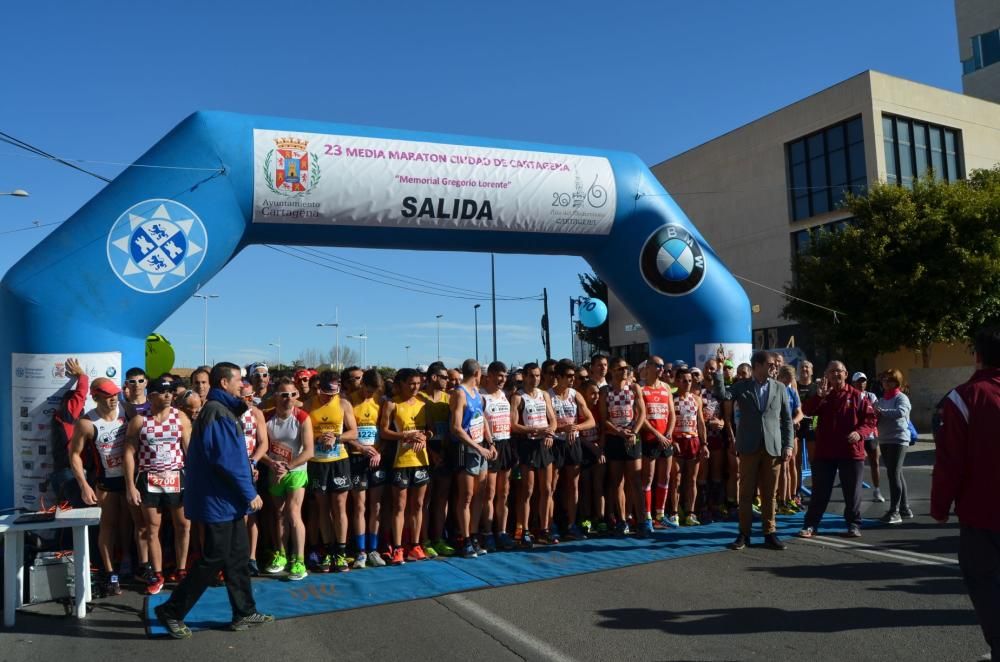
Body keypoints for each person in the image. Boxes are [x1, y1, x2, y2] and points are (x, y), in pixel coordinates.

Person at [153, 362, 271, 639]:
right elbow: (228, 462)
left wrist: (243, 406)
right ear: (224, 384)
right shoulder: (217, 413)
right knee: (214, 558)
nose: (243, 385)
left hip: (227, 500)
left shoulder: (223, 410)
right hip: (219, 499)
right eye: (238, 381)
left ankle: (244, 611)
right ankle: (171, 611)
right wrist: (249, 493)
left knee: (238, 556)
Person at [932, 326, 1000, 659]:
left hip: (982, 514)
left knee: (985, 583)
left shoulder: (964, 398)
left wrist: (940, 506)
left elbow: (949, 461)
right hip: (983, 511)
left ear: (978, 356)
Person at [716, 350, 793, 551]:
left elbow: (786, 419)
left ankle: (770, 533)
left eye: (774, 365)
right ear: (757, 366)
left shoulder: (779, 388)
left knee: (770, 493)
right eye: (769, 364)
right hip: (749, 446)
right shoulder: (742, 386)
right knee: (746, 493)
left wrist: (789, 445)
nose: (774, 367)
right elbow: (723, 394)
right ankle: (744, 533)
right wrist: (719, 370)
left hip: (773, 447)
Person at [123, 376, 192, 595]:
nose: (169, 395)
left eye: (171, 391)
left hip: (176, 476)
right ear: (151, 395)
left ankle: (181, 570)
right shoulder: (139, 421)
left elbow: (190, 451)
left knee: (183, 525)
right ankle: (158, 573)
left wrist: (196, 480)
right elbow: (128, 454)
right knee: (152, 529)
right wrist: (130, 486)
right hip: (149, 478)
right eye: (163, 392)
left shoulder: (180, 417)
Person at [799, 361, 877, 539]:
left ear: (846, 374)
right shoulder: (821, 394)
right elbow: (806, 411)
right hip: (825, 452)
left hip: (850, 452)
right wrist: (820, 397)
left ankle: (853, 525)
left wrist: (860, 433)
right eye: (831, 372)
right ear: (826, 375)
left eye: (838, 371)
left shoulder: (857, 396)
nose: (835, 375)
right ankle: (810, 525)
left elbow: (871, 420)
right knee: (819, 491)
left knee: (852, 493)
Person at [68, 377, 130, 596]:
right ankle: (110, 572)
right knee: (108, 526)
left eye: (115, 395)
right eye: (107, 396)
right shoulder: (86, 423)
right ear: (95, 397)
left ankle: (129, 565)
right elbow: (74, 455)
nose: (113, 400)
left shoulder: (125, 411)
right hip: (106, 481)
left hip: (130, 479)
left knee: (130, 525)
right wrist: (84, 485)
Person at [306, 370, 358, 573]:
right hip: (318, 462)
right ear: (319, 388)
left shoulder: (343, 404)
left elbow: (353, 432)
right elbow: (303, 433)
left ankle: (341, 552)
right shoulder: (310, 404)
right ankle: (328, 550)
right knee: (323, 508)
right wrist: (317, 439)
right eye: (327, 394)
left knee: (339, 507)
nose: (330, 398)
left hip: (339, 460)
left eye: (334, 393)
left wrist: (336, 437)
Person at [263, 378, 314, 580]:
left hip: (296, 470)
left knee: (293, 513)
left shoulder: (302, 417)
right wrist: (272, 464)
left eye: (293, 394)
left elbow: (309, 450)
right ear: (276, 396)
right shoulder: (267, 417)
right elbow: (262, 448)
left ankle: (299, 560)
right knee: (279, 514)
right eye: (284, 395)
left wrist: (288, 466)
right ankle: (281, 554)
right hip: (275, 470)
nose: (289, 399)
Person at [380, 368, 432, 565]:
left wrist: (425, 437)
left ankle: (415, 545)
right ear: (400, 383)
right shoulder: (392, 404)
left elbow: (431, 430)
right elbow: (383, 431)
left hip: (420, 460)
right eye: (411, 383)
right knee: (399, 506)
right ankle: (398, 547)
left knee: (418, 505)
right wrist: (406, 435)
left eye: (418, 383)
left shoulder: (423, 403)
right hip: (400, 461)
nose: (415, 387)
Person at [450, 359, 497, 557]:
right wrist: (477, 447)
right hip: (466, 449)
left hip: (480, 448)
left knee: (480, 494)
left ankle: (474, 534)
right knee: (467, 496)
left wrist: (490, 442)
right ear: (477, 373)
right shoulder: (459, 393)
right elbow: (456, 427)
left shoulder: (477, 394)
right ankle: (465, 538)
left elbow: (482, 418)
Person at [511, 362, 557, 547]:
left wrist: (550, 432)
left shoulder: (544, 394)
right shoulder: (517, 397)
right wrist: (532, 430)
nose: (535, 379)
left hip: (543, 445)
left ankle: (544, 529)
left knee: (547, 489)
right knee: (528, 490)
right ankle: (524, 530)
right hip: (527, 445)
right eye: (531, 375)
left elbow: (552, 420)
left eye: (538, 376)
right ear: (524, 376)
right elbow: (513, 424)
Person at [549, 359, 595, 541]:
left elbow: (591, 420)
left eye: (573, 376)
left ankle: (570, 524)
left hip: (573, 443)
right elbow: (544, 423)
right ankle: (550, 524)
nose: (572, 379)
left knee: (573, 486)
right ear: (558, 377)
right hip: (555, 443)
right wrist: (562, 429)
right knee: (551, 487)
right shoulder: (548, 395)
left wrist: (576, 427)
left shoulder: (575, 394)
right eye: (568, 376)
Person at [601, 358, 647, 536]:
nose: (624, 371)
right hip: (615, 438)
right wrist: (620, 432)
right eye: (620, 369)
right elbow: (604, 419)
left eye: (626, 368)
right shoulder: (605, 390)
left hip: (632, 438)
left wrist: (633, 432)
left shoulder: (634, 388)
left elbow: (642, 413)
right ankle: (621, 520)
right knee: (617, 481)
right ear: (612, 371)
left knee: (635, 481)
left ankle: (642, 521)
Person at [347, 369, 388, 568]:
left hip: (376, 459)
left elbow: (385, 432)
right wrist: (361, 448)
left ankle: (373, 549)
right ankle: (360, 552)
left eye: (374, 391)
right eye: (368, 390)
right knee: (359, 506)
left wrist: (378, 452)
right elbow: (347, 433)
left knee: (376, 506)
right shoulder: (349, 401)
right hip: (356, 459)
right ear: (362, 384)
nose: (369, 394)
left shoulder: (380, 402)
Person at [480, 361, 516, 551]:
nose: (502, 379)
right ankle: (487, 533)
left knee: (504, 493)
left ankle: (501, 532)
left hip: (505, 443)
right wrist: (490, 442)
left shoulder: (503, 395)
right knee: (490, 493)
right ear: (490, 376)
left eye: (505, 375)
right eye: (499, 375)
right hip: (490, 445)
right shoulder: (481, 396)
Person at [668, 368, 708, 527]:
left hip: (693, 441)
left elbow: (701, 423)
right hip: (677, 441)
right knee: (676, 479)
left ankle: (691, 513)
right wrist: (671, 440)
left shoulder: (697, 399)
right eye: (684, 380)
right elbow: (668, 421)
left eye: (690, 381)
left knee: (692, 479)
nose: (687, 384)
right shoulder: (672, 398)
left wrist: (704, 444)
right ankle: (674, 512)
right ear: (677, 381)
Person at [639, 357, 674, 528]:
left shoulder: (666, 387)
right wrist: (657, 435)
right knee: (648, 478)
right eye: (658, 366)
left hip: (666, 439)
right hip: (650, 439)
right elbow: (641, 417)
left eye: (663, 366)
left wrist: (667, 434)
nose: (661, 369)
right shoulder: (641, 388)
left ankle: (660, 514)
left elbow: (672, 414)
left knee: (665, 476)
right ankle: (647, 517)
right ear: (649, 366)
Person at [875, 369, 913, 524]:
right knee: (897, 473)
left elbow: (900, 412)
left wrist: (881, 412)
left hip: (898, 439)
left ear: (896, 382)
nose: (885, 383)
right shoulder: (882, 399)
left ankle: (894, 511)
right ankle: (904, 508)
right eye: (884, 380)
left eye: (889, 380)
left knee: (893, 473)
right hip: (884, 439)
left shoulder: (901, 397)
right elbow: (876, 415)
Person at [238, 382, 268, 575]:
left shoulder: (256, 413)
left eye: (251, 397)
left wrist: (254, 462)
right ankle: (238, 556)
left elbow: (263, 443)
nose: (249, 401)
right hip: (234, 468)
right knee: (238, 515)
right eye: (245, 397)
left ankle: (252, 557)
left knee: (251, 514)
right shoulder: (228, 412)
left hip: (251, 467)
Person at [776, 366, 804, 514]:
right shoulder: (774, 389)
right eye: (785, 378)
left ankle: (786, 500)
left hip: (789, 432)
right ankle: (779, 500)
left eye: (790, 378)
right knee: (779, 468)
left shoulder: (792, 391)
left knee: (788, 466)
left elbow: (800, 413)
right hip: (775, 433)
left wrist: (792, 422)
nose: (788, 381)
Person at [853, 372, 883, 503]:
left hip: (871, 435)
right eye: (859, 381)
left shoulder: (871, 396)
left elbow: (877, 414)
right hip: (856, 436)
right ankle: (855, 493)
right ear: (853, 383)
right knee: (857, 465)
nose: (861, 383)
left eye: (863, 381)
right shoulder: (850, 396)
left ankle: (877, 490)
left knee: (875, 463)